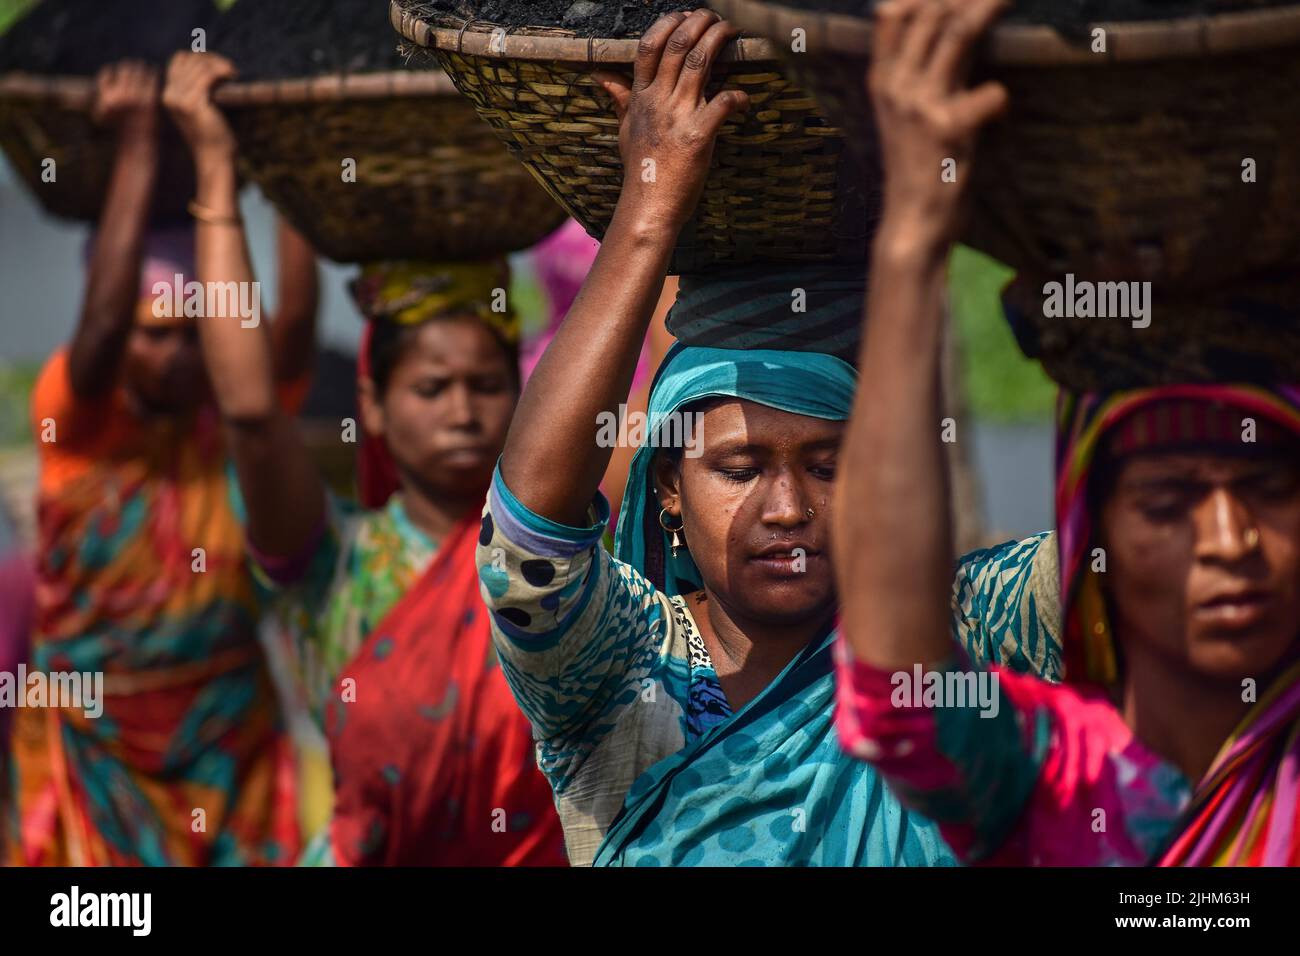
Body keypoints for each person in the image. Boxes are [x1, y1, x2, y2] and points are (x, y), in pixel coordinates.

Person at [475, 9, 1058, 867]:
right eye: (740, 467)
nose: (787, 508)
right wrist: (648, 206)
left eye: (829, 465)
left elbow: (1116, 562)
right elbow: (524, 553)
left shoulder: (964, 632)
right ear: (669, 484)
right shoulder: (625, 674)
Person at [833, 0, 1300, 866]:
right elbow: (898, 695)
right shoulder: (1055, 773)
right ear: (1090, 531)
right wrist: (911, 237)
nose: (1230, 541)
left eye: (1270, 489)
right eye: (1169, 502)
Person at [161, 52, 568, 866]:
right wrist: (215, 172)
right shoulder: (333, 561)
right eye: (431, 387)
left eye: (486, 383)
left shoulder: (560, 554)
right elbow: (248, 409)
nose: (461, 410)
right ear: (373, 406)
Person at [5, 60, 319, 866]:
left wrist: (289, 172)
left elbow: (287, 334)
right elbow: (102, 327)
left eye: (194, 333)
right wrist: (139, 147)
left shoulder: (229, 418)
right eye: (157, 332)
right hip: (97, 744)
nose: (178, 354)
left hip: (227, 736)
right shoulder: (77, 424)